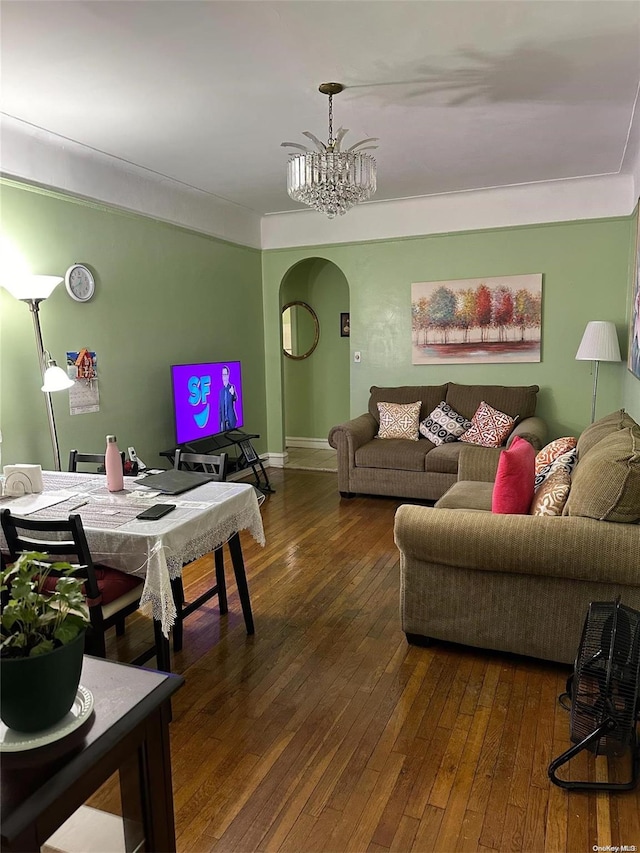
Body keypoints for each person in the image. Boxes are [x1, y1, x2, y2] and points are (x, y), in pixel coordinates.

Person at [219, 365, 237, 431]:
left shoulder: (232, 387)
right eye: (223, 375)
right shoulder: (221, 391)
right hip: (224, 424)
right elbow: (220, 410)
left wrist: (232, 394)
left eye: (225, 374)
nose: (224, 377)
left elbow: (235, 398)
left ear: (228, 375)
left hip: (231, 422)